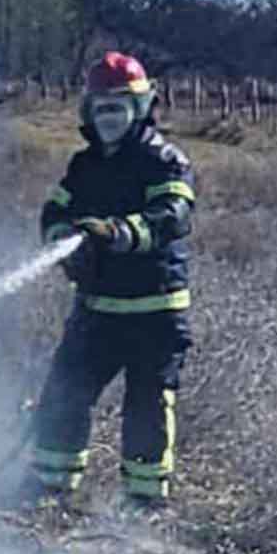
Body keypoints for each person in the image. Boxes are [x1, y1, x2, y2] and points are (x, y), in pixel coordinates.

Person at [32, 51, 195, 509]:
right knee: (65, 392)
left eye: (119, 105)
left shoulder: (164, 161)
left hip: (154, 312)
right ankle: (50, 488)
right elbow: (55, 211)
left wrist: (120, 233)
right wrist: (64, 238)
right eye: (101, 107)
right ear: (88, 110)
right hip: (96, 309)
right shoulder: (85, 166)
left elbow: (173, 215)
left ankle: (144, 503)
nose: (110, 116)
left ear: (141, 107)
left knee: (146, 407)